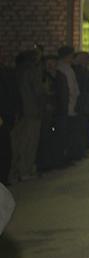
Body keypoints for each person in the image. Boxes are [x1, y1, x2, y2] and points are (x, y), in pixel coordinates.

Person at [10, 51, 42, 181]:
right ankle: (25, 171)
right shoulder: (32, 71)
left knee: (15, 144)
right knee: (29, 144)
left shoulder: (13, 72)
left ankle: (12, 172)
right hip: (32, 112)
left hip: (17, 113)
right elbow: (38, 92)